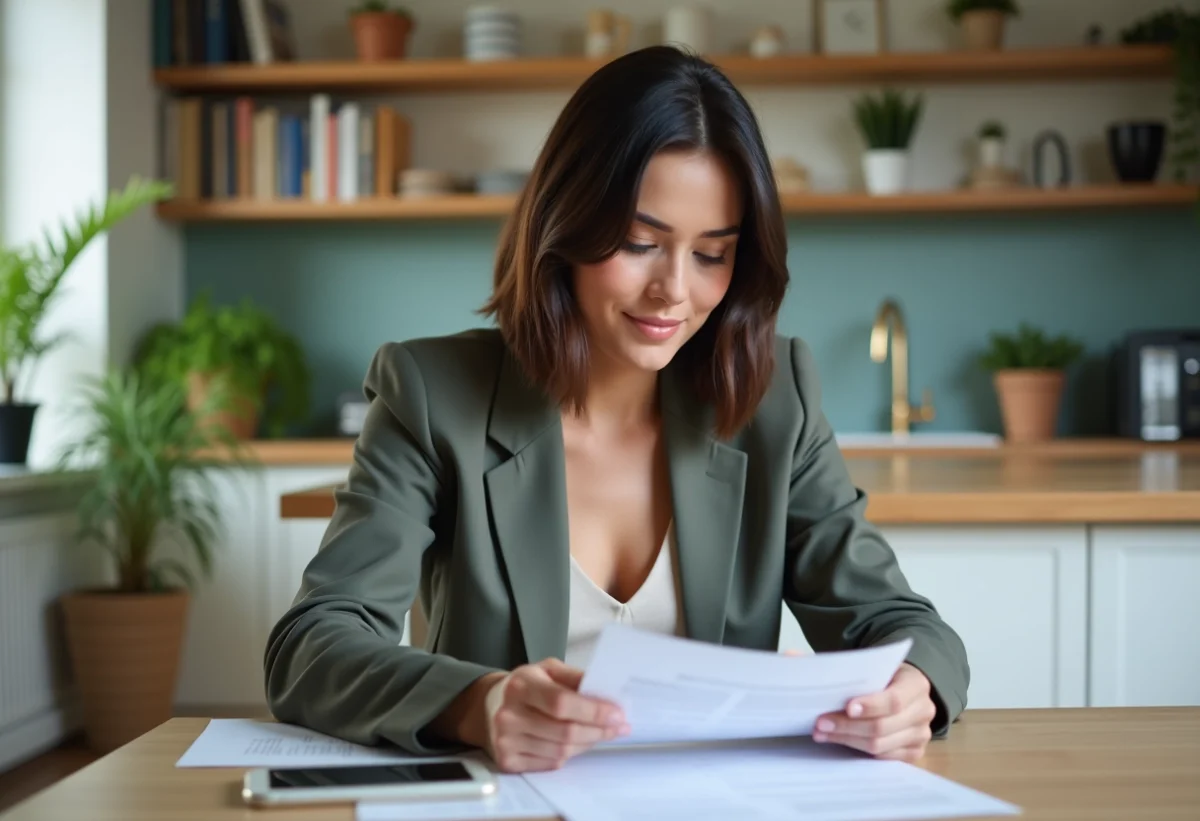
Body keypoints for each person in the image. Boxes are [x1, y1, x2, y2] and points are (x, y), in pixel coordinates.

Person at [264, 45, 969, 775]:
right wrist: (479, 704)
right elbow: (312, 645)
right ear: (565, 224)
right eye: (639, 242)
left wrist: (911, 689)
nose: (674, 290)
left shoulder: (774, 400)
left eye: (712, 254)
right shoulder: (433, 393)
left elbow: (901, 625)